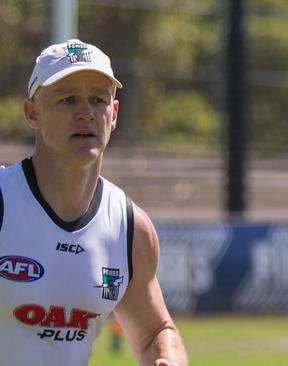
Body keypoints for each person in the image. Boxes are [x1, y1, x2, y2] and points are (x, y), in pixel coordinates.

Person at [0, 39, 188, 365]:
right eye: (67, 99)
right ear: (32, 113)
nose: (86, 113)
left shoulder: (130, 229)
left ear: (113, 115)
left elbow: (154, 332)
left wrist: (167, 357)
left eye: (99, 100)